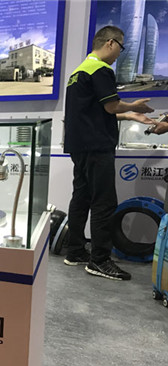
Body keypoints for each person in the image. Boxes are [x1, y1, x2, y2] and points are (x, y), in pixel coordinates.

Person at [63, 25, 155, 281]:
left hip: (80, 146)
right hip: (97, 146)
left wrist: (130, 115)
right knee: (104, 202)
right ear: (111, 43)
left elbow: (96, 111)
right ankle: (100, 260)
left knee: (81, 198)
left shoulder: (78, 72)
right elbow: (111, 106)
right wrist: (134, 106)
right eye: (121, 48)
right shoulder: (101, 70)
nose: (119, 54)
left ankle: (75, 251)